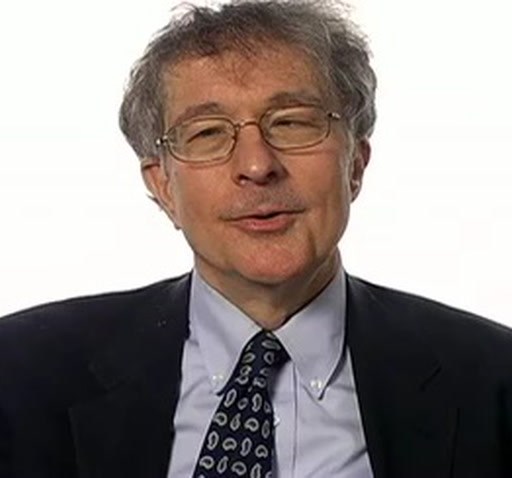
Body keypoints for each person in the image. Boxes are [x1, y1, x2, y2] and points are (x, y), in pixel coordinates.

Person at [1, 0, 511, 476]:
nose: (257, 165)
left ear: (355, 164)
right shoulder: (19, 372)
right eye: (207, 133)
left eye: (291, 123)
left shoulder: (493, 381)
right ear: (163, 186)